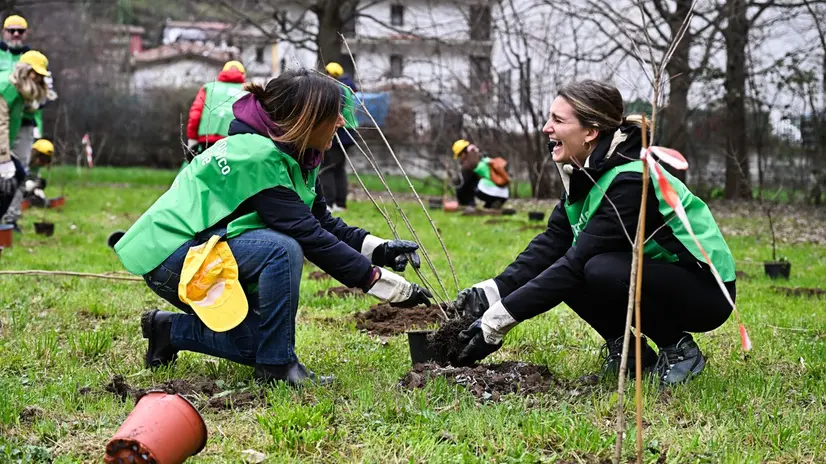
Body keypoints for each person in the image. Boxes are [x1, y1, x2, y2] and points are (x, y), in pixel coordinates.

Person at [115, 69, 432, 387]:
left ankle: (168, 330)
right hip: (171, 257)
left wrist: (379, 249)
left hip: (205, 252)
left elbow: (321, 220)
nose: (340, 122)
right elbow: (308, 234)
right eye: (333, 114)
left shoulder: (294, 154)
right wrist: (381, 283)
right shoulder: (258, 158)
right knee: (283, 249)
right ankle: (277, 369)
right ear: (306, 118)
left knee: (258, 343)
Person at [451, 80, 737, 386]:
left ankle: (680, 351)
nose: (547, 128)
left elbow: (576, 264)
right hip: (657, 277)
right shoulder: (585, 171)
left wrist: (497, 322)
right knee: (572, 265)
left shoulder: (629, 179)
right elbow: (552, 244)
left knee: (596, 269)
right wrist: (492, 291)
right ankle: (630, 355)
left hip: (705, 289)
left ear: (590, 132)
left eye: (558, 121)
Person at [0, 50, 51, 231]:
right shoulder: (6, 87)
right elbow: (1, 124)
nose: (37, 78)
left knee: (20, 175)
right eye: (34, 73)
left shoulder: (19, 89)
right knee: (10, 178)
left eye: (40, 76)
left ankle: (5, 221)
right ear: (24, 69)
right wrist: (4, 160)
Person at [186, 60, 248, 159]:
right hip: (237, 141)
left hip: (207, 139)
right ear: (243, 75)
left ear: (222, 72)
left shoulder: (209, 88)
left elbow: (195, 115)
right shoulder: (248, 91)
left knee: (208, 170)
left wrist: (192, 139)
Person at [319, 61, 357, 212]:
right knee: (339, 168)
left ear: (328, 73)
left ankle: (329, 203)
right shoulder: (346, 88)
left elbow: (334, 112)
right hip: (349, 132)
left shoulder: (335, 89)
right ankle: (341, 203)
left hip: (339, 133)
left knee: (327, 167)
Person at [451, 139, 510, 209]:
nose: (460, 159)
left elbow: (462, 185)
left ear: (463, 154)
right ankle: (491, 204)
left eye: (459, 156)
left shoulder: (470, 164)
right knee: (476, 181)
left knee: (467, 185)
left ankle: (468, 205)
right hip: (504, 194)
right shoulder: (482, 157)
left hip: (491, 192)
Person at [21, 138, 53, 207]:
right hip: (18, 186)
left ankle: (39, 200)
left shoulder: (36, 167)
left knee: (36, 186)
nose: (43, 164)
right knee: (29, 184)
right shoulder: (24, 160)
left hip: (27, 188)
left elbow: (35, 176)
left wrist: (39, 183)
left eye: (46, 160)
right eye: (42, 160)